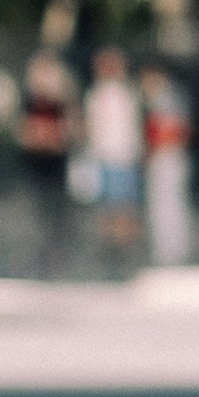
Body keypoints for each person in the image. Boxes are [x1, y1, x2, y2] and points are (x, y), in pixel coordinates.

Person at [17, 36, 76, 272]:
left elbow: (69, 132)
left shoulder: (61, 105)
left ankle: (56, 253)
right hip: (36, 163)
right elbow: (24, 133)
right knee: (37, 210)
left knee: (58, 212)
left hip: (56, 163)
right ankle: (37, 253)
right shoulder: (30, 103)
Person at [83, 46, 143, 266]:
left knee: (124, 208)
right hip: (105, 158)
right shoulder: (96, 95)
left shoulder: (126, 93)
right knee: (109, 208)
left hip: (124, 158)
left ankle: (124, 252)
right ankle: (111, 252)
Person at [141, 64, 194, 271]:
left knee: (169, 206)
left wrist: (154, 152)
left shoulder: (169, 99)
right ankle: (167, 250)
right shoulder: (161, 100)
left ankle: (171, 251)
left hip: (168, 159)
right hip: (164, 159)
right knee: (163, 206)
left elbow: (174, 132)